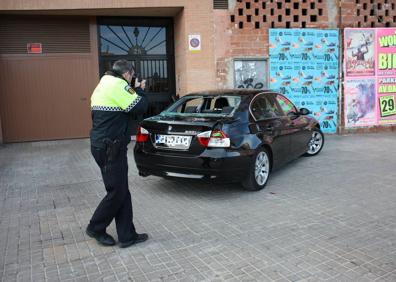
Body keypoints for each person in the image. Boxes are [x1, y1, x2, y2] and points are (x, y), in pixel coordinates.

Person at [86, 59, 149, 248]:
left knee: (122, 191)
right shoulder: (119, 85)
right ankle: (95, 227)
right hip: (110, 147)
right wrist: (140, 90)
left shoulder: (104, 82)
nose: (132, 79)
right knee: (117, 191)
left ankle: (127, 235)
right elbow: (140, 107)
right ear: (127, 74)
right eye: (132, 76)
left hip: (105, 145)